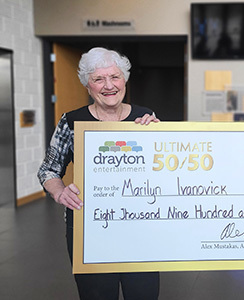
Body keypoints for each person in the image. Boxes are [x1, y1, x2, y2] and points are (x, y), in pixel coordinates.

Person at [38, 47, 160, 300]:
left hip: (140, 227)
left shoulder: (146, 118)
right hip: (89, 228)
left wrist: (160, 140)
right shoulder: (71, 122)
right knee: (97, 294)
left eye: (114, 77)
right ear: (87, 85)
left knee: (144, 293)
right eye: (98, 79)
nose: (108, 85)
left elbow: (166, 171)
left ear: (124, 80)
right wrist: (60, 192)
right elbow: (48, 169)